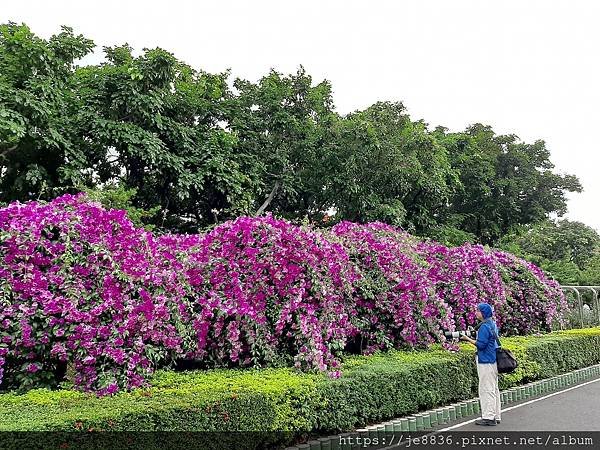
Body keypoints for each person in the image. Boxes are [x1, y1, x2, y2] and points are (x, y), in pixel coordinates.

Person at [460, 302, 501, 426]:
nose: (476, 313)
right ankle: (496, 415)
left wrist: (467, 339)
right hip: (493, 360)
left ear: (483, 313)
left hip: (485, 361)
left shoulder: (484, 327)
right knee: (494, 388)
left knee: (486, 388)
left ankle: (489, 417)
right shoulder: (492, 324)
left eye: (478, 311)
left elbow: (481, 345)